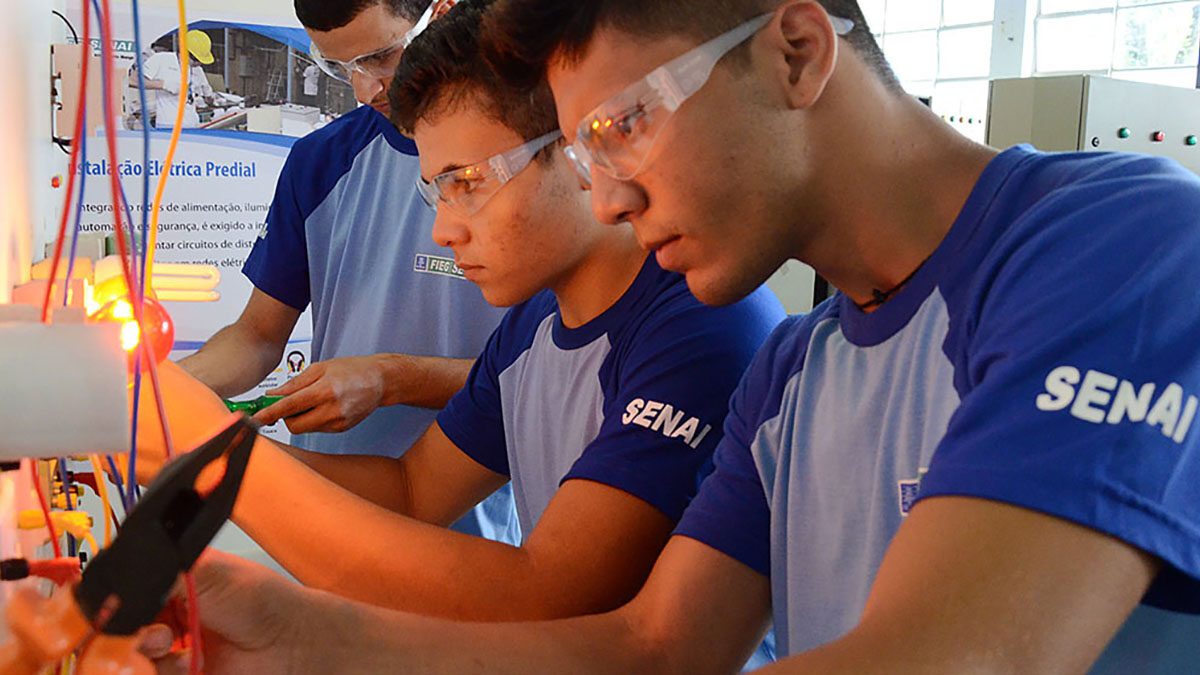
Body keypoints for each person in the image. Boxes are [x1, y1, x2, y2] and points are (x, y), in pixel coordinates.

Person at [143, 0, 1200, 673]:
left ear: (796, 51)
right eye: (584, 150)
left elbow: (940, 658)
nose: (608, 201)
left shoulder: (1122, 247)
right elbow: (653, 646)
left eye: (624, 127)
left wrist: (196, 444)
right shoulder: (795, 368)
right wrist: (300, 637)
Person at [131, 0, 784, 650]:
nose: (443, 230)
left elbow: (546, 594)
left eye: (467, 183)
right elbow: (413, 489)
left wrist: (213, 453)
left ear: (580, 146)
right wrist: (208, 445)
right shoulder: (534, 324)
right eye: (435, 191)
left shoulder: (701, 323)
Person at [176, 0, 515, 539]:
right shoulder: (322, 161)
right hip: (329, 503)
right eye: (338, 67)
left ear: (443, 12)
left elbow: (542, 376)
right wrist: (163, 395)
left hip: (473, 521)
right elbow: (257, 336)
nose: (363, 89)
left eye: (381, 57)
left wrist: (390, 379)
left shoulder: (522, 164)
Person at [142, 30, 215, 129]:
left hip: (192, 123)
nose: (199, 63)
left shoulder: (196, 69)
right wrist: (163, 85)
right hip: (169, 125)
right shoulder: (162, 59)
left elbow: (208, 97)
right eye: (196, 59)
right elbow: (133, 80)